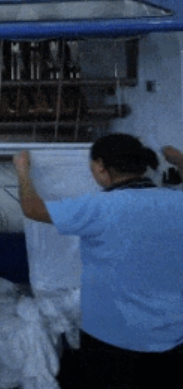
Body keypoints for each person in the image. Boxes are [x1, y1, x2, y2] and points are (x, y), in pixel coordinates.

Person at [14, 133, 183, 388]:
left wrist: (23, 172)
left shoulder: (99, 207)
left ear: (102, 168)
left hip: (111, 338)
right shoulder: (177, 202)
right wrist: (179, 160)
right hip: (170, 335)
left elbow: (32, 208)